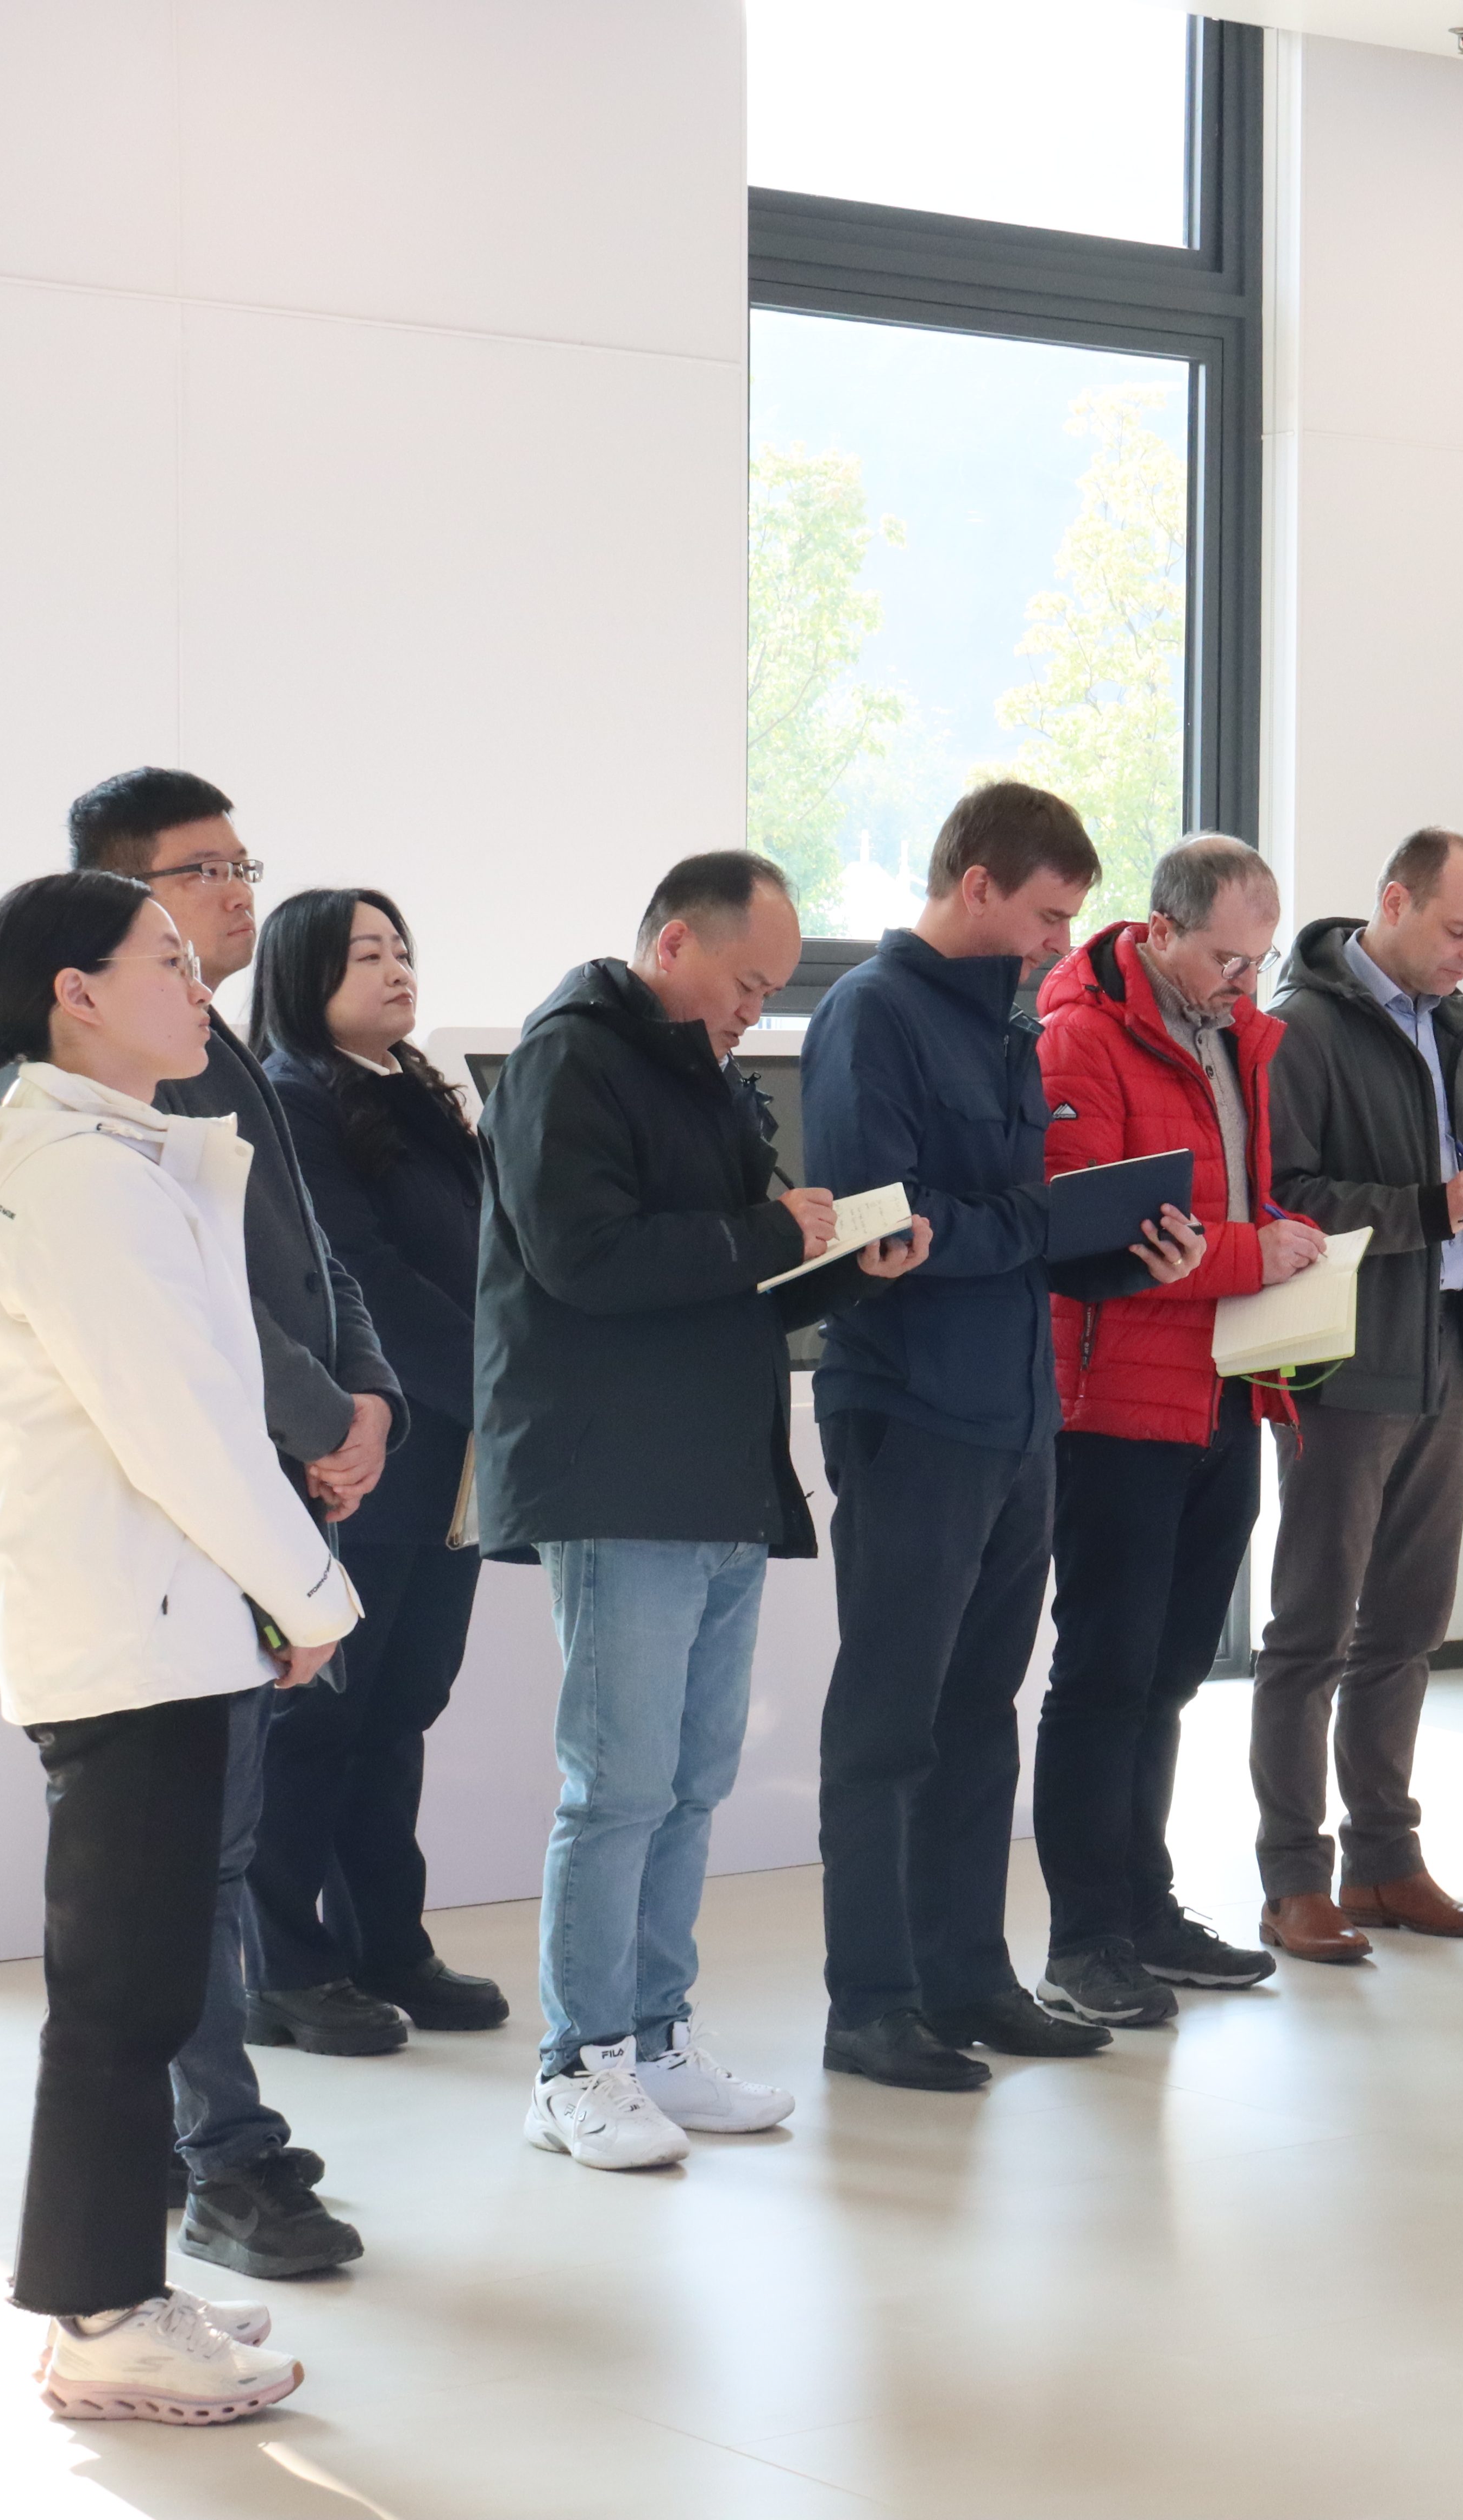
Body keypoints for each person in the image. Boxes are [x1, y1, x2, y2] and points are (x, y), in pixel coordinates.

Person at [0, 870, 357, 2425]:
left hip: (156, 1625)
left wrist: (270, 1597)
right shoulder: (81, 1180)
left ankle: (110, 2294)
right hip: (129, 1639)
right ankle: (101, 2323)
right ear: (75, 994)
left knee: (138, 1993)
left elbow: (195, 1415)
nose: (199, 980)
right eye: (166, 957)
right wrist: (314, 1594)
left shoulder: (105, 1159)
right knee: (121, 2006)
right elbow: (186, 1431)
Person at [481, 850, 933, 2163]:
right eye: (746, 982)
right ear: (674, 943)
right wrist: (771, 1234)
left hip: (715, 1472)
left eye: (772, 991)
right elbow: (583, 1258)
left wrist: (848, 1268)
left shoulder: (697, 1074)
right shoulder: (570, 1056)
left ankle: (657, 2039)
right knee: (618, 1784)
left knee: (688, 1782)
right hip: (617, 1474)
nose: (755, 1011)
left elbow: (738, 1282)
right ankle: (577, 2066)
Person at [804, 782, 1206, 2091]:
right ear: (974, 883)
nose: (1057, 942)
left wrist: (1125, 1257)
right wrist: (1049, 1227)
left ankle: (967, 1977)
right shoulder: (872, 1013)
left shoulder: (1003, 1023)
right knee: (889, 1721)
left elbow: (1012, 1228)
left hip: (1015, 1415)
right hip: (911, 1410)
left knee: (983, 1714)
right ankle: (871, 2004)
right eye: (1045, 915)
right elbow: (891, 1225)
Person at [66, 767, 395, 2281]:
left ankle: (193, 2139)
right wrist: (324, 1423)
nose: (238, 892)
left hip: (268, 1479)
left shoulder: (218, 1051)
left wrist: (366, 1398)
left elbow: (310, 1257)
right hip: (190, 1509)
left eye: (244, 863)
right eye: (203, 870)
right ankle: (222, 2158)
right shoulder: (100, 1093)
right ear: (115, 903)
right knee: (184, 1863)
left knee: (209, 1850)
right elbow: (204, 1314)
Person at [1029, 836, 1332, 2028]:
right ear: (1159, 930)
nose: (1243, 982)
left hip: (1223, 1389)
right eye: (1224, 958)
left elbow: (1226, 1205)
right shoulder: (1080, 1037)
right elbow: (1098, 1234)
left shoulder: (1239, 1039)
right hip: (1114, 1404)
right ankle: (1083, 1939)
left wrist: (1276, 1241)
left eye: (1259, 961)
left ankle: (1145, 1911)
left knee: (1169, 1675)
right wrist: (1258, 1252)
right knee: (1105, 1674)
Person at [1251, 828, 1463, 1961]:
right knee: (1313, 1629)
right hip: (1340, 1368)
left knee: (1408, 1628)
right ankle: (1292, 1880)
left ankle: (1384, 1864)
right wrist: (1431, 1207)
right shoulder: (1304, 1027)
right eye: (1458, 929)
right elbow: (1283, 1195)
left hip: (1439, 1355)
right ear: (1396, 903)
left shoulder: (1459, 1031)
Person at [247, 889, 503, 2038]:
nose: (397, 970)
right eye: (367, 955)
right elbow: (367, 1282)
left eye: (402, 949)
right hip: (368, 1446)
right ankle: (283, 1968)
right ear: (306, 976)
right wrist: (499, 1384)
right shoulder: (292, 1097)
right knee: (321, 1721)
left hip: (452, 1449)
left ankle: (387, 1946)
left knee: (401, 1707)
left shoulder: (418, 1092)